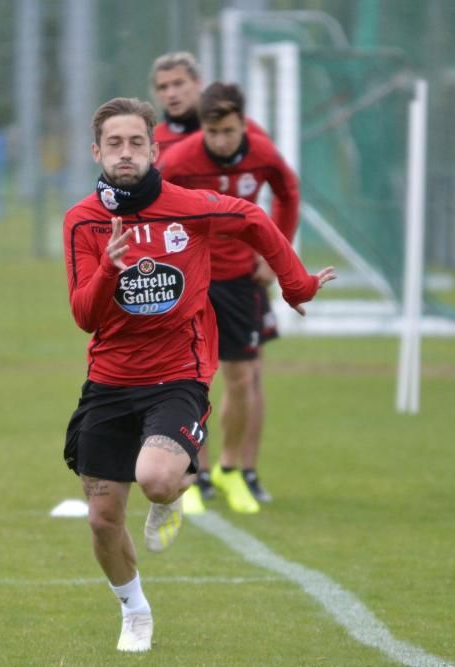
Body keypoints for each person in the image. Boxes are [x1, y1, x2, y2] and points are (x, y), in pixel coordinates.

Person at [62, 96, 334, 652]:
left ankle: (174, 490)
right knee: (101, 519)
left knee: (159, 478)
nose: (126, 152)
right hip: (109, 379)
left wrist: (295, 283)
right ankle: (134, 610)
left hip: (178, 373)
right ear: (97, 151)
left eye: (137, 141)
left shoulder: (190, 207)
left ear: (154, 148)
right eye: (114, 143)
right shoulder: (83, 221)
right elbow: (84, 316)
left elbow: (256, 219)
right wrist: (110, 271)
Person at [159, 82, 300, 514]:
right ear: (202, 128)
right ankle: (194, 475)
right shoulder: (179, 160)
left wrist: (273, 251)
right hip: (192, 282)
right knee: (191, 381)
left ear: (244, 124)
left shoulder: (263, 153)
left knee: (242, 380)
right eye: (213, 131)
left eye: (230, 131)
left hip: (240, 280)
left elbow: (288, 193)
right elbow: (149, 204)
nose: (221, 140)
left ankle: (231, 470)